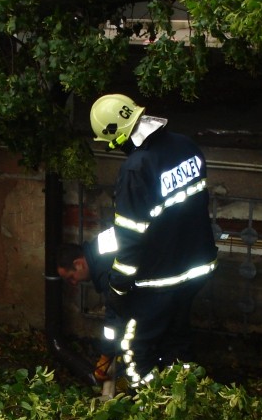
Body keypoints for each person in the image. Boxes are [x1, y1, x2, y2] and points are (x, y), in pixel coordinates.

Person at [89, 93, 218, 388]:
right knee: (177, 338)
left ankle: (146, 409)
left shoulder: (136, 168)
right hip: (197, 269)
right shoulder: (186, 145)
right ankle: (184, 397)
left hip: (159, 280)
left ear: (116, 135)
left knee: (137, 351)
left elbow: (131, 236)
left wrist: (118, 284)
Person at [58, 228, 121, 386]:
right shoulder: (98, 246)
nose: (74, 283)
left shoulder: (104, 271)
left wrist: (106, 357)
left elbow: (115, 315)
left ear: (78, 264)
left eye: (71, 277)